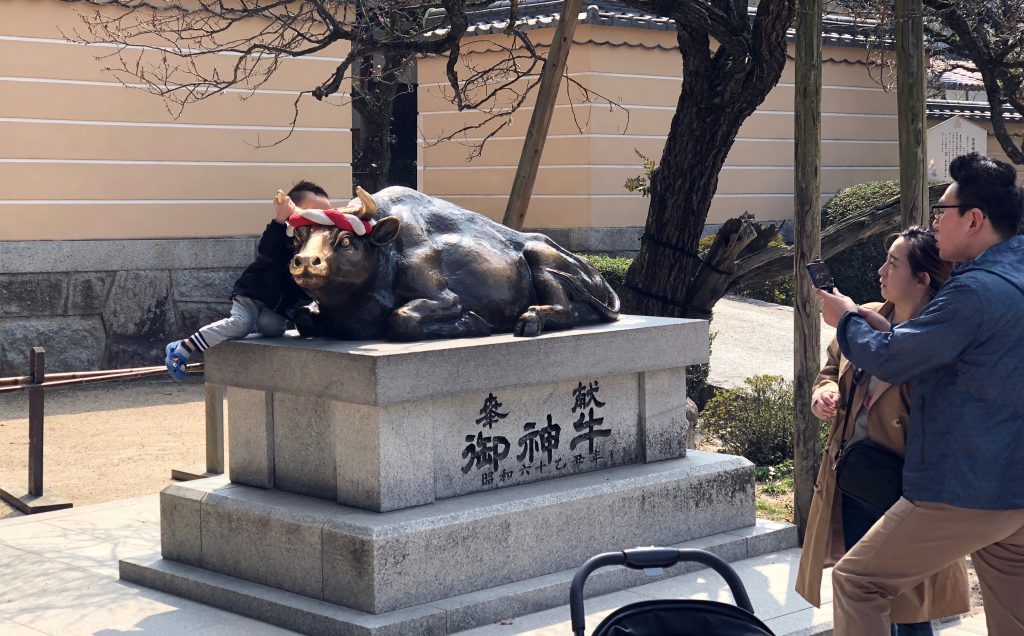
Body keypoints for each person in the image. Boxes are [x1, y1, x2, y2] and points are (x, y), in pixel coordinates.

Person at [817, 152, 1024, 635]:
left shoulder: (975, 291)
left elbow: (892, 358)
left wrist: (845, 318)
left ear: (974, 219)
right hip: (1013, 485)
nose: (934, 225)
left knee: (857, 582)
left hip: (969, 488)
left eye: (941, 212)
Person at [795, 227, 968, 635]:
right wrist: (826, 391)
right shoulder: (870, 314)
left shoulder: (939, 338)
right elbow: (831, 366)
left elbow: (921, 379)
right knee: (862, 597)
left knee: (909, 609)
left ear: (922, 279)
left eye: (892, 262)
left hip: (905, 492)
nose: (880, 270)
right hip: (854, 479)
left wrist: (859, 326)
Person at [163, 181, 331, 380]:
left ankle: (251, 324)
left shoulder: (320, 249)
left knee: (272, 327)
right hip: (253, 294)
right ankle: (184, 346)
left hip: (274, 306)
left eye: (324, 217)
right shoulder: (282, 235)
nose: (318, 222)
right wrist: (280, 219)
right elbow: (266, 250)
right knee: (241, 323)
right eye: (312, 214)